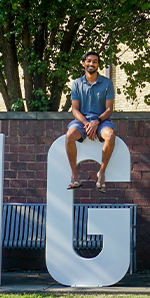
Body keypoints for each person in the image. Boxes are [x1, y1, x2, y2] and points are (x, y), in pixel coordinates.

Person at [65, 51, 116, 192]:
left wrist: (96, 122)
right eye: (88, 61)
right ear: (83, 63)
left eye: (95, 61)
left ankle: (101, 172)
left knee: (110, 135)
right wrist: (87, 124)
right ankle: (75, 175)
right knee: (69, 135)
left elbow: (109, 109)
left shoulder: (107, 83)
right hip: (82, 121)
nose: (91, 64)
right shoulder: (76, 83)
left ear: (98, 64)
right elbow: (74, 109)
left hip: (101, 121)